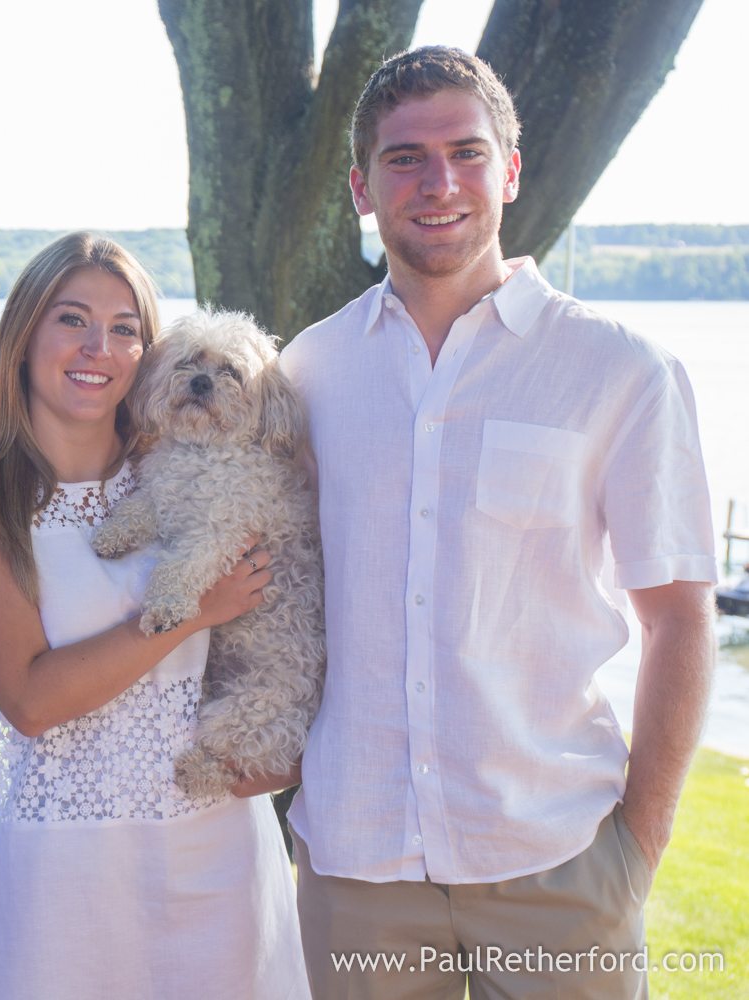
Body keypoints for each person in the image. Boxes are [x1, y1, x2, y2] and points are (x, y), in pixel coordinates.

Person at [281, 46, 716, 998]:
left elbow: (679, 617)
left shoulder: (623, 372)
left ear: (510, 171)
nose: (439, 182)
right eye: (404, 158)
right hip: (357, 869)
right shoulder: (307, 374)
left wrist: (639, 844)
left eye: (466, 152)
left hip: (556, 858)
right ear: (361, 185)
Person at [0, 232, 310, 999]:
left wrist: (290, 752)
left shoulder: (182, 463)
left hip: (216, 843)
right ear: (24, 334)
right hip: (68, 870)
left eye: (125, 328)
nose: (97, 347)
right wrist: (192, 612)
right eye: (71, 319)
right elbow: (32, 702)